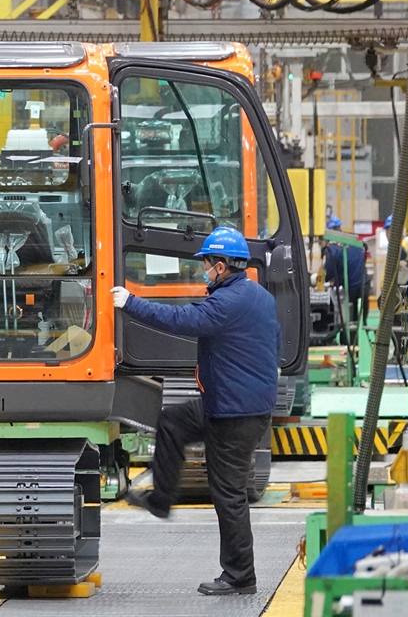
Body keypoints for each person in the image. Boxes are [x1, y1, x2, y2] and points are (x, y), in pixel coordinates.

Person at [111, 227, 279, 596]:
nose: (203, 270)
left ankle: (240, 577)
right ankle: (160, 499)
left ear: (221, 266)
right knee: (172, 421)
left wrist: (131, 302)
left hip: (235, 414)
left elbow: (184, 321)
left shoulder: (228, 303)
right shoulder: (257, 296)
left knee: (228, 494)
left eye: (206, 263)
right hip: (233, 402)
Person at [323, 215, 369, 326]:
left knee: (348, 321)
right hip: (365, 283)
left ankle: (347, 340)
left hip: (350, 288)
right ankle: (362, 324)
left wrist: (324, 279)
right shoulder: (352, 242)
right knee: (357, 320)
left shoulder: (333, 248)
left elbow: (328, 271)